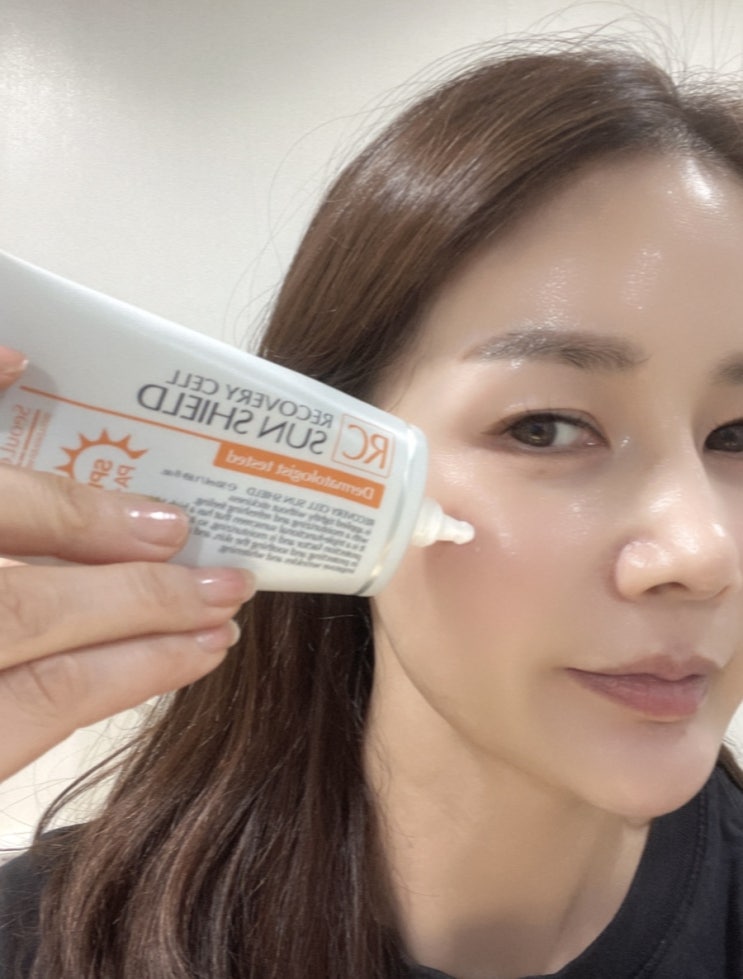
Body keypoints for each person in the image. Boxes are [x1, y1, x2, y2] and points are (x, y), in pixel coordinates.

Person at [3, 36, 743, 979]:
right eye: (546, 427)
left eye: (736, 435)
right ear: (313, 455)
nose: (700, 550)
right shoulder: (53, 943)